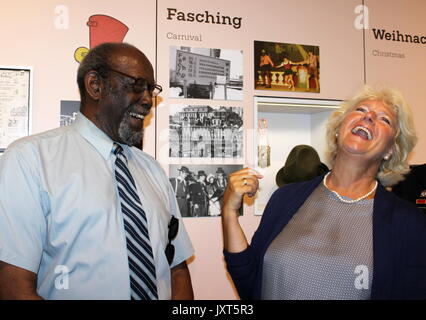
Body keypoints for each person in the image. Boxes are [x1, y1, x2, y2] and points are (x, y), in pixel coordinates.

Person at [0, 42, 194, 300]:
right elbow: (13, 282)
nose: (147, 99)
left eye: (150, 89)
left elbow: (177, 269)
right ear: (95, 85)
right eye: (137, 85)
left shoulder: (152, 170)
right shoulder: (30, 160)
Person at [222, 85, 426, 299]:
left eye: (384, 119)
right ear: (339, 129)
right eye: (360, 110)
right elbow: (251, 282)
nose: (368, 117)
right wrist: (229, 213)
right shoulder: (285, 199)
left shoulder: (408, 223)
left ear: (390, 150)